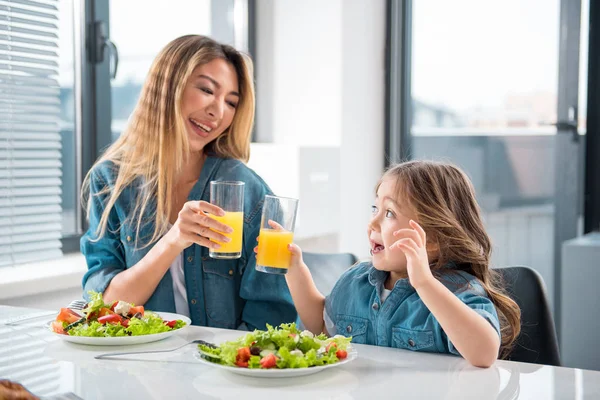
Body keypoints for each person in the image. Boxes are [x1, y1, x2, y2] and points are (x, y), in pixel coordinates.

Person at [80, 35, 296, 330]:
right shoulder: (111, 182)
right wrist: (173, 240)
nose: (218, 112)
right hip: (142, 363)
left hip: (220, 368)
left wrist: (220, 365)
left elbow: (272, 317)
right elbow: (105, 304)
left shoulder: (249, 192)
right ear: (168, 88)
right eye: (207, 90)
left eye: (231, 102)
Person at [282, 160, 521, 367]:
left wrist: (425, 283)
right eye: (375, 208)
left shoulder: (458, 291)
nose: (373, 222)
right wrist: (295, 271)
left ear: (433, 240)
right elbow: (320, 326)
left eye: (389, 213)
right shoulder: (354, 282)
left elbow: (484, 353)